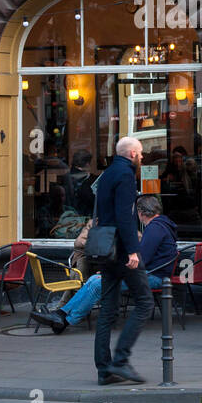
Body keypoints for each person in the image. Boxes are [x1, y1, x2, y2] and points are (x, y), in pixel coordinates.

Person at [30, 194, 176, 334]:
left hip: (153, 277)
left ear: (141, 212)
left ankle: (65, 320)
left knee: (96, 284)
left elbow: (141, 260)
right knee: (94, 279)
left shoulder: (155, 229)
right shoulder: (160, 226)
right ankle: (61, 314)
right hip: (150, 274)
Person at [91, 136, 153, 384]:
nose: (142, 158)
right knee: (145, 301)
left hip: (105, 249)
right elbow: (125, 217)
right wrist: (133, 251)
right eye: (140, 154)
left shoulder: (107, 174)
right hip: (121, 250)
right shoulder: (126, 175)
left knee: (107, 309)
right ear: (131, 155)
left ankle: (104, 370)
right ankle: (121, 359)